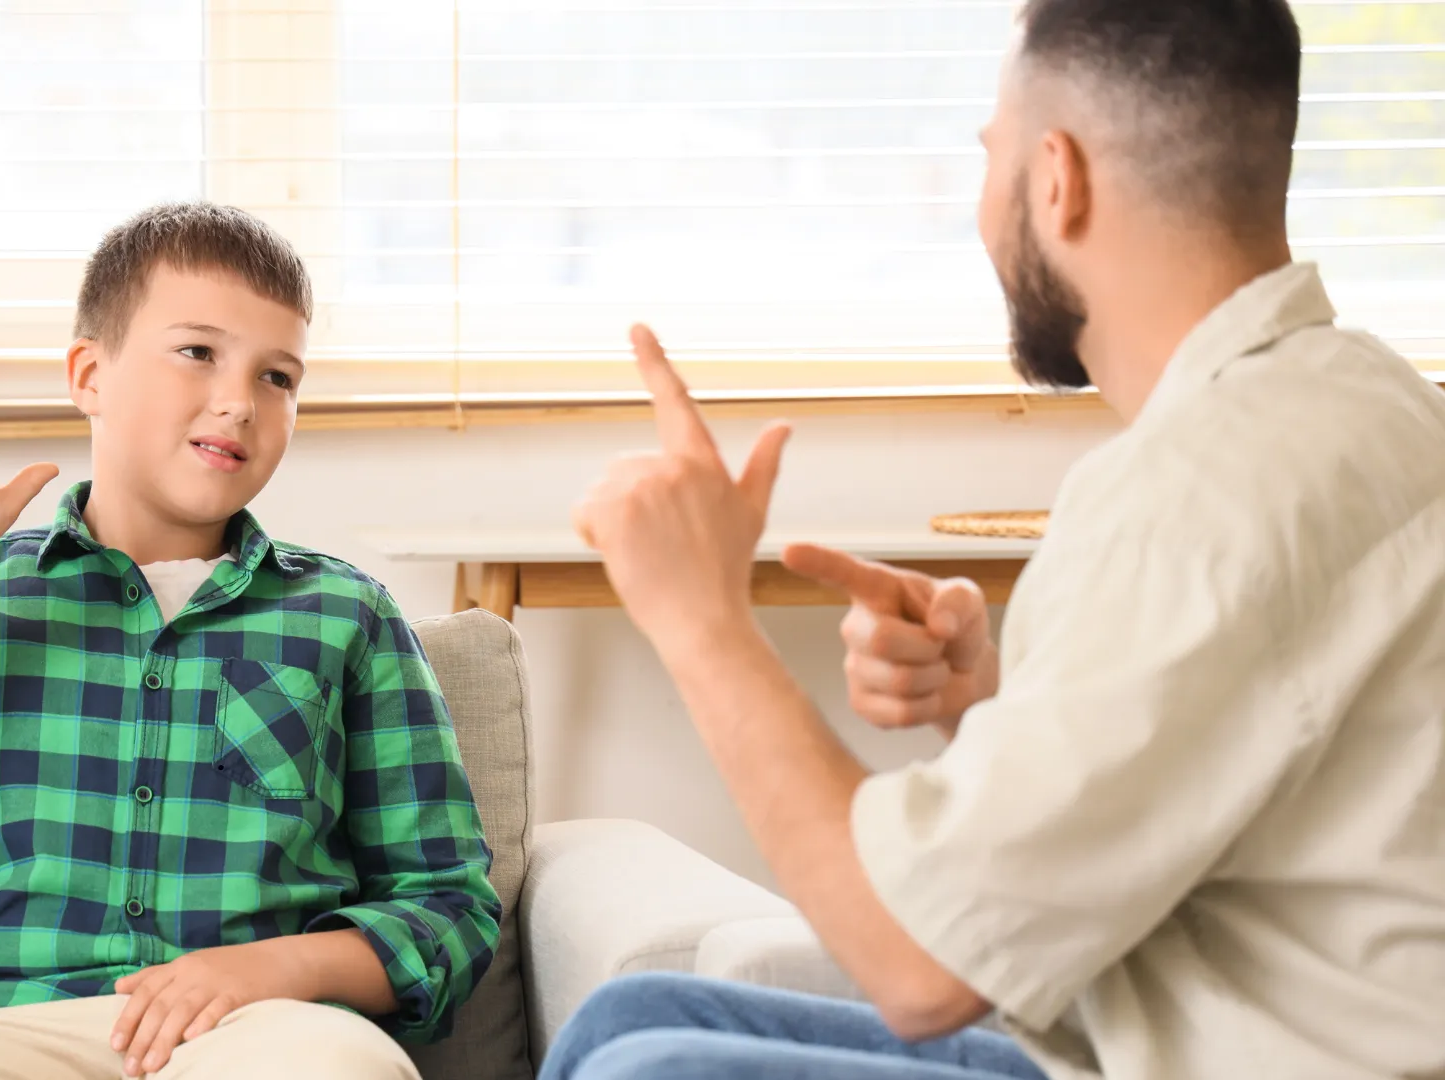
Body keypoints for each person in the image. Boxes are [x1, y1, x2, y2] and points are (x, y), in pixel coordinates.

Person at [549, 1, 1445, 1078]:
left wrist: (700, 620)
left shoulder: (1192, 494)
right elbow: (1224, 761)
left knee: (644, 1074)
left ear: (1057, 179)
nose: (982, 205)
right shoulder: (1371, 400)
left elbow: (920, 969)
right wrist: (991, 706)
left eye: (991, 156)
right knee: (623, 1016)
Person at [0, 203, 499, 1080]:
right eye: (198, 351)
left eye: (278, 376)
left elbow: (448, 908)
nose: (238, 402)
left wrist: (273, 968)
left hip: (259, 1031)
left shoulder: (345, 615)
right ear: (90, 375)